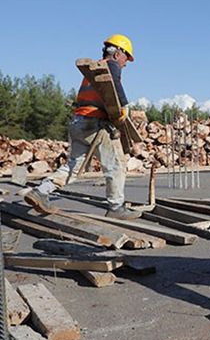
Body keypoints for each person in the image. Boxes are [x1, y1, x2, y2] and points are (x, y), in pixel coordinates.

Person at [24, 34, 142, 220]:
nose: (126, 63)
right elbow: (116, 86)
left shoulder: (93, 71)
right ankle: (116, 207)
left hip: (79, 122)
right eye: (126, 57)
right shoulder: (110, 66)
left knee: (74, 166)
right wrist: (124, 107)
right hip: (95, 124)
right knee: (117, 165)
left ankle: (41, 191)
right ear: (118, 53)